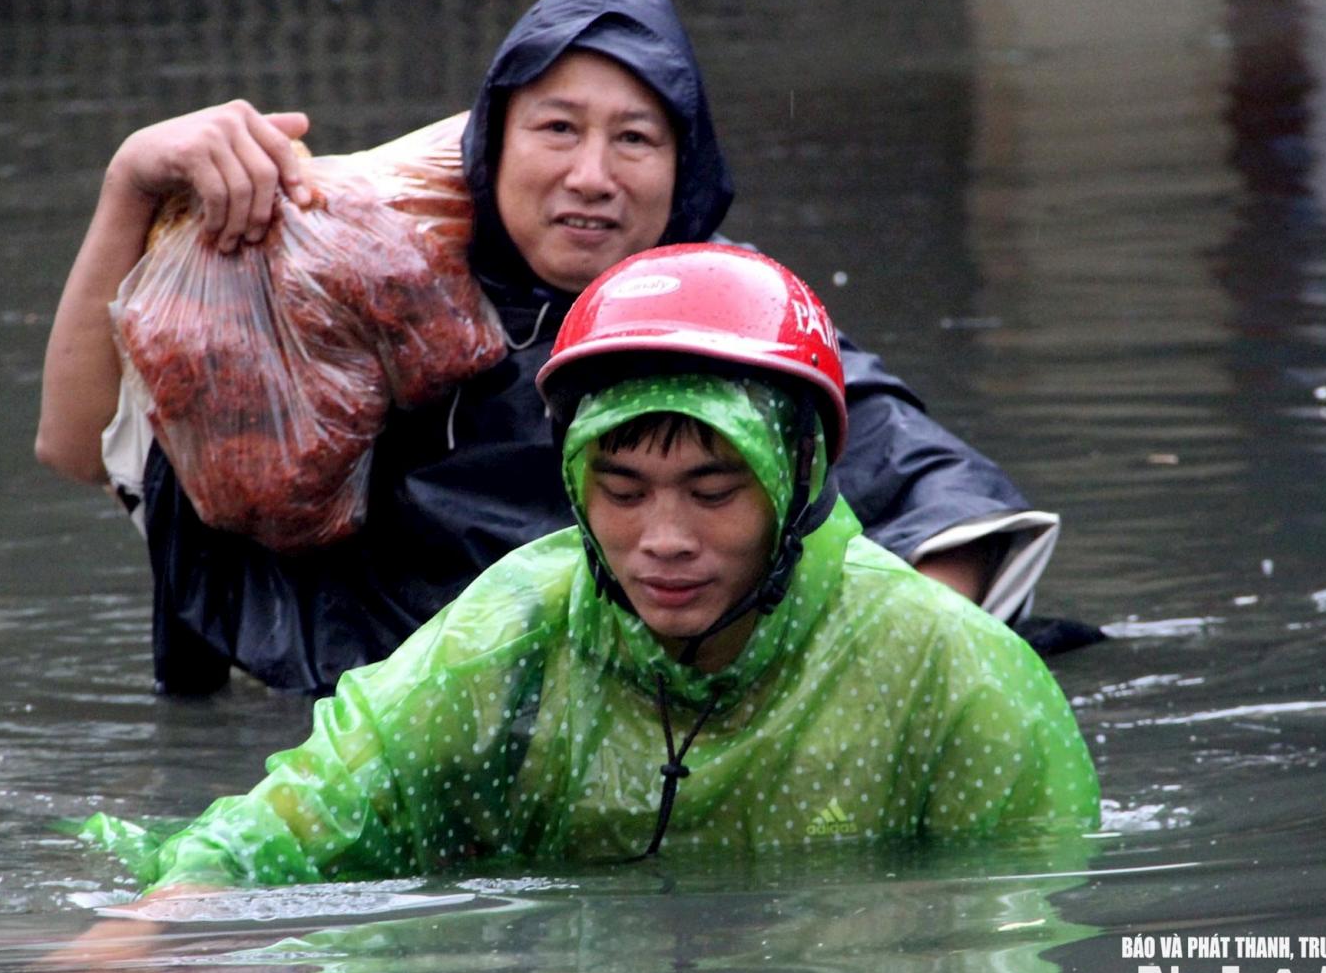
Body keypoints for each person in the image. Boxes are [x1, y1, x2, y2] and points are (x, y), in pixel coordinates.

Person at [36, 0, 1061, 697]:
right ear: (492, 144)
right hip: (382, 726)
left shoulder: (731, 317)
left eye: (636, 138)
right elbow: (80, 447)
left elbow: (937, 495)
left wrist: (875, 690)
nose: (591, 175)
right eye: (558, 128)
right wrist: (130, 181)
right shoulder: (362, 291)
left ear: (684, 168)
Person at [78, 245, 1097, 894]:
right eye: (620, 488)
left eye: (712, 490)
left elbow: (1002, 957)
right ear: (570, 480)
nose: (662, 538)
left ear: (800, 482)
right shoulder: (516, 629)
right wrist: (149, 940)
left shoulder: (959, 675)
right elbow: (293, 820)